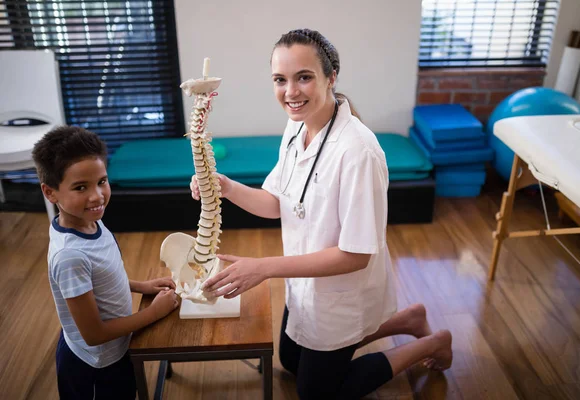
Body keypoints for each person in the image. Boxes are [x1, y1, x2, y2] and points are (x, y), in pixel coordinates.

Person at [191, 28, 452, 399]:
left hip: (342, 289)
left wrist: (263, 268)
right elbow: (276, 202)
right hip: (305, 282)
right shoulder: (297, 126)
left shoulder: (358, 151)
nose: (290, 92)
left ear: (331, 77)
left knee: (316, 394)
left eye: (304, 78)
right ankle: (407, 320)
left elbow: (356, 255)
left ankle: (431, 343)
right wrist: (226, 187)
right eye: (280, 80)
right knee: (293, 363)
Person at [32, 126, 179, 400]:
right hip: (95, 366)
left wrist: (140, 285)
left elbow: (103, 277)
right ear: (50, 193)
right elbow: (94, 334)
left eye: (101, 181)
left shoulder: (90, 220)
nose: (97, 195)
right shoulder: (70, 257)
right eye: (80, 187)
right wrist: (153, 313)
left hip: (117, 349)